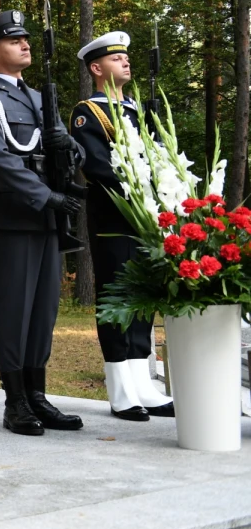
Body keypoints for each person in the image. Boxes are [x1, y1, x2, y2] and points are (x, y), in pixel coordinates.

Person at [0, 11, 86, 436]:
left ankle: (38, 394)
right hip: (16, 215)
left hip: (49, 219)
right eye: (15, 40)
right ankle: (14, 400)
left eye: (26, 39)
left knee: (45, 309)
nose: (25, 44)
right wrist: (44, 195)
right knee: (15, 309)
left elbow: (70, 151)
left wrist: (69, 150)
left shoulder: (40, 99)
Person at [70, 31, 173, 420]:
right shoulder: (89, 112)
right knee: (116, 294)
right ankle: (120, 388)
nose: (126, 62)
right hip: (115, 215)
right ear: (97, 68)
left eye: (127, 57)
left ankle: (143, 382)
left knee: (143, 295)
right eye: (116, 59)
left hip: (147, 215)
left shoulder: (139, 110)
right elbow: (97, 165)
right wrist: (143, 180)